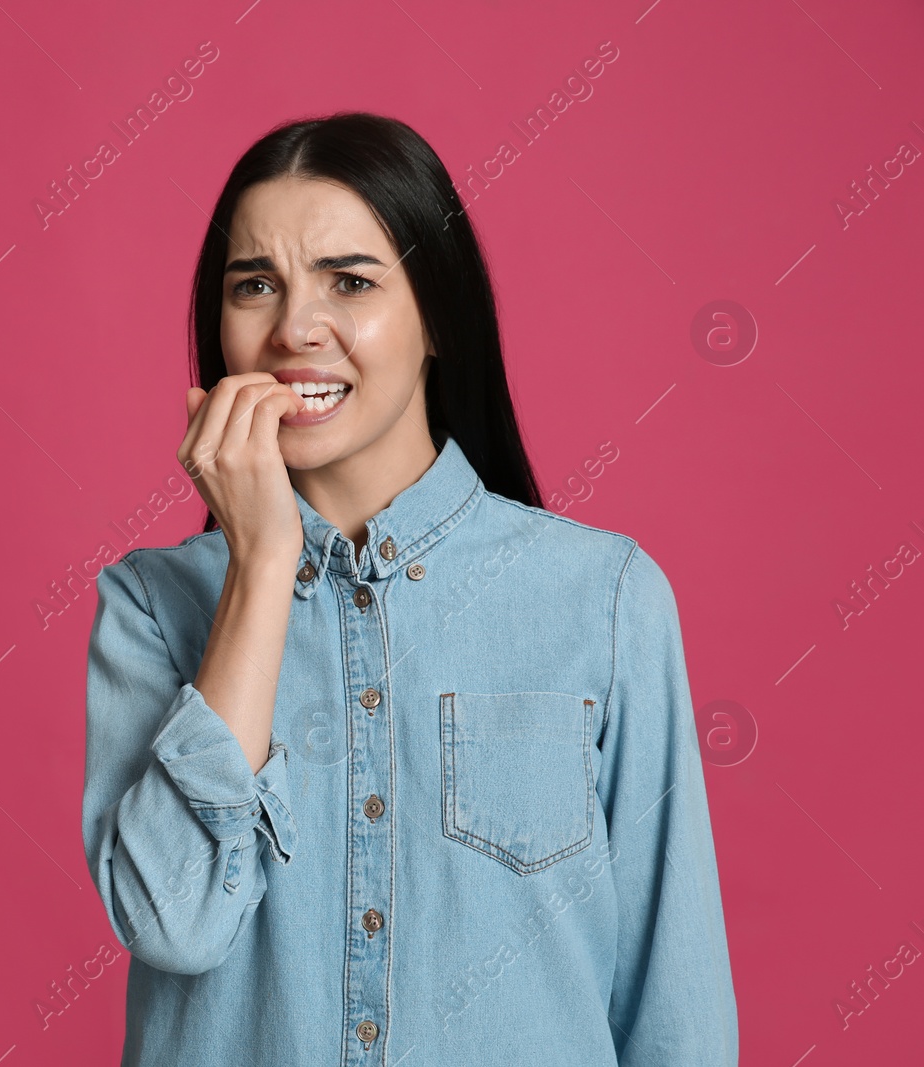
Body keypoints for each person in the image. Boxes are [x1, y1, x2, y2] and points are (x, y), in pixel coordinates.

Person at [80, 111, 738, 1066]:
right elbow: (173, 923)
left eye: (350, 281)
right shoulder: (151, 606)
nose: (295, 329)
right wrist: (263, 566)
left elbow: (672, 1001)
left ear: (437, 315)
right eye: (254, 285)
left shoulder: (604, 599)